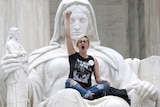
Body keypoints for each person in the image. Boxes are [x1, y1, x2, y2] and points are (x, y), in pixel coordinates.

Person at [0, 0, 157, 107]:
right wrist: (6, 76)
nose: (76, 26)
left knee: (116, 104)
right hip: (61, 100)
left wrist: (145, 90)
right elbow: (28, 93)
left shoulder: (110, 56)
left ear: (90, 25)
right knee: (68, 97)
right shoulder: (42, 57)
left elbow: (131, 87)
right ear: (62, 25)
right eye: (71, 20)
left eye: (82, 20)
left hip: (103, 101)